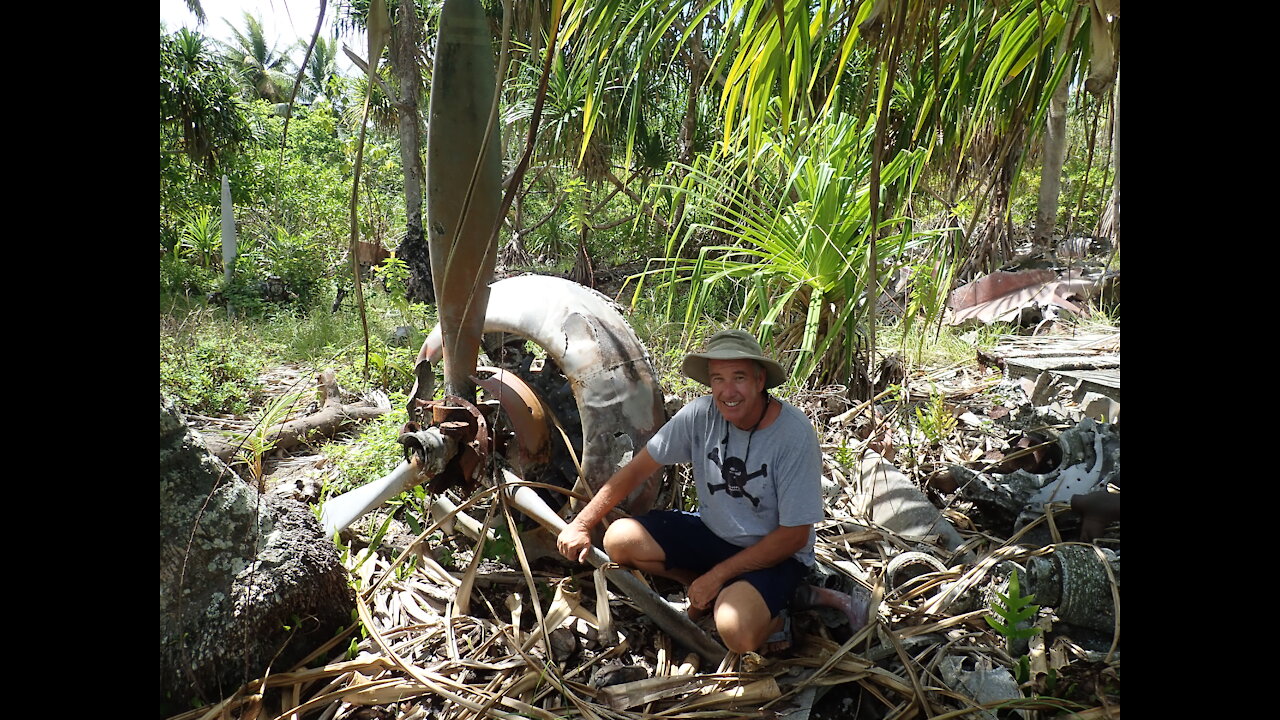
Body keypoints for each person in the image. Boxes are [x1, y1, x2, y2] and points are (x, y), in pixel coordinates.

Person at [556, 329, 826, 654]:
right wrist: (582, 523)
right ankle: (711, 588)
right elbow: (638, 469)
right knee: (619, 539)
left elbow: (794, 536)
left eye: (739, 378)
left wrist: (717, 575)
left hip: (773, 554)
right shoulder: (701, 414)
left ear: (759, 380)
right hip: (714, 533)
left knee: (735, 632)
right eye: (718, 379)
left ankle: (778, 617)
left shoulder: (793, 434)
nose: (728, 391)